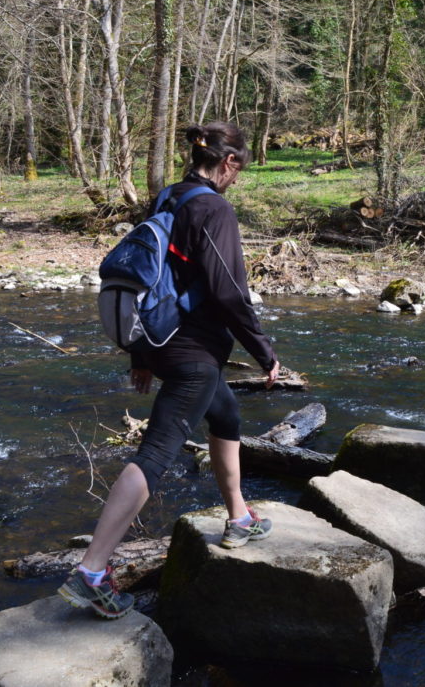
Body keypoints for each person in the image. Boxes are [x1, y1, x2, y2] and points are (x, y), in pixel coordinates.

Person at [59, 121, 280, 619]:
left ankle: (239, 516)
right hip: (191, 352)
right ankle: (92, 570)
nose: (237, 181)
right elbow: (228, 291)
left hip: (160, 342)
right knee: (156, 453)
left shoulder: (168, 198)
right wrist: (265, 353)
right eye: (239, 171)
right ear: (228, 164)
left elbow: (149, 278)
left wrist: (140, 355)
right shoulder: (213, 207)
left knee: (225, 415)